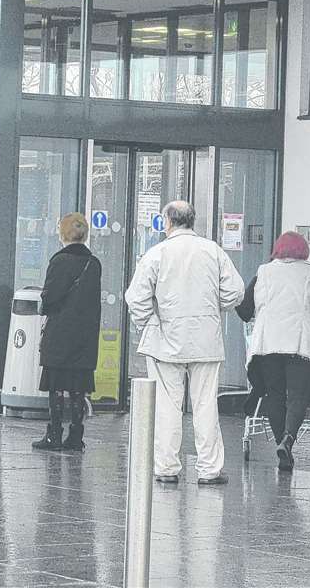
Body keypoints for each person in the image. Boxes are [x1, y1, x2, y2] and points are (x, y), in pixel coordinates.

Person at [124, 200, 243, 485]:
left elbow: (135, 297)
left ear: (167, 221)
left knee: (166, 406)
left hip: (165, 340)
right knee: (205, 405)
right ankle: (209, 469)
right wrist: (215, 308)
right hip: (206, 340)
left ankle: (166, 467)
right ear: (192, 220)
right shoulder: (213, 251)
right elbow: (235, 292)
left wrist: (150, 323)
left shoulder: (157, 254)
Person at [236, 230, 310, 472]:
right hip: (300, 345)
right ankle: (288, 441)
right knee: (297, 396)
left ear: (277, 250)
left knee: (275, 395)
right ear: (304, 251)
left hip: (267, 345)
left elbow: (244, 310)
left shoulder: (264, 272)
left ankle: (282, 450)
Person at [33, 212, 102, 453]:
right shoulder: (93, 264)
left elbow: (50, 297)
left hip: (60, 333)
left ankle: (54, 433)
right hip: (85, 336)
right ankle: (75, 435)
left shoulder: (59, 261)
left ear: (62, 234)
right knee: (78, 386)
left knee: (56, 385)